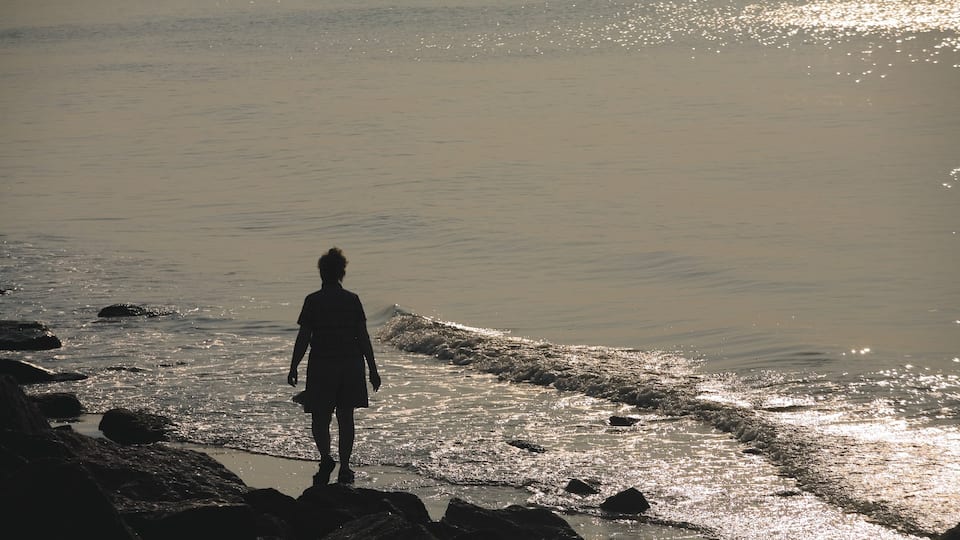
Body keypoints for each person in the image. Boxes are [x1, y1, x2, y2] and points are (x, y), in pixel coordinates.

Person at [287, 247, 381, 485]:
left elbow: (304, 337)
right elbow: (363, 337)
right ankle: (345, 467)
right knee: (345, 417)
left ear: (321, 273)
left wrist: (294, 366)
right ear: (342, 273)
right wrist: (373, 369)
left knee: (320, 417)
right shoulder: (352, 300)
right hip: (351, 365)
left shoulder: (313, 301)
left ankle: (326, 457)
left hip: (322, 365)